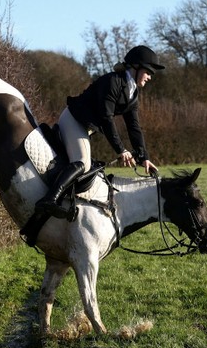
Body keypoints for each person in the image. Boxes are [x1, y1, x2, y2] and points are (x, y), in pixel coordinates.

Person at [35, 45, 163, 218]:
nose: (149, 77)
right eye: (148, 72)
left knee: (91, 168)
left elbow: (134, 127)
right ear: (135, 66)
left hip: (85, 126)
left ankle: (65, 199)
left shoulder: (132, 94)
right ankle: (49, 200)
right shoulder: (113, 82)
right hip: (74, 119)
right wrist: (121, 150)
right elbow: (106, 119)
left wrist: (144, 157)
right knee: (82, 162)